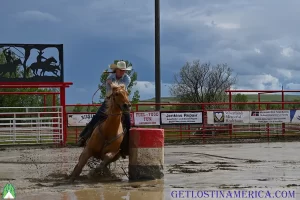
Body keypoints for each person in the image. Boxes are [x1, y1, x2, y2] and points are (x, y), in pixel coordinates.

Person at [77, 60, 132, 157]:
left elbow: (122, 89)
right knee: (97, 117)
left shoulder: (127, 78)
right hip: (110, 100)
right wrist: (110, 85)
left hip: (122, 100)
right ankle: (84, 137)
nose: (123, 72)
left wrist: (112, 85)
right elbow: (109, 94)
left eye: (124, 70)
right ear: (116, 70)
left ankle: (127, 145)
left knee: (128, 122)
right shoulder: (110, 77)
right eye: (121, 70)